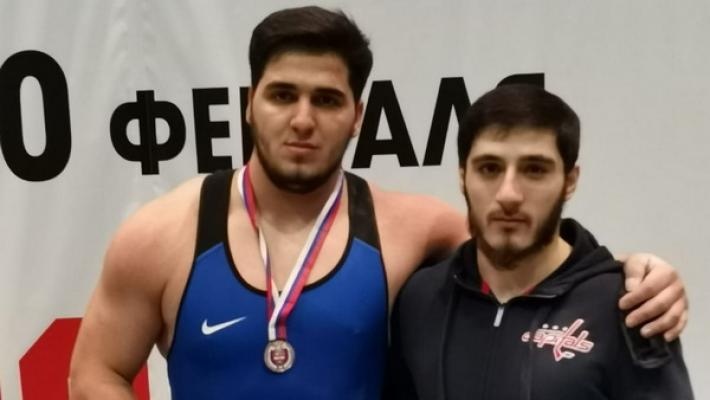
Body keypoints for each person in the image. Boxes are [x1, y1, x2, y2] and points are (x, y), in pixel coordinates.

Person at [69, 6, 688, 400]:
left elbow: (529, 255)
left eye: (327, 100)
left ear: (358, 116)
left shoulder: (413, 229)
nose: (303, 120)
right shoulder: (160, 235)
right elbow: (95, 372)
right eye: (283, 95)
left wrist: (634, 271)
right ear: (249, 103)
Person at [387, 84, 694, 399]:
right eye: (489, 168)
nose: (508, 194)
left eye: (534, 170)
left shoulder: (631, 306)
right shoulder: (421, 298)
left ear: (569, 181)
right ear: (463, 177)